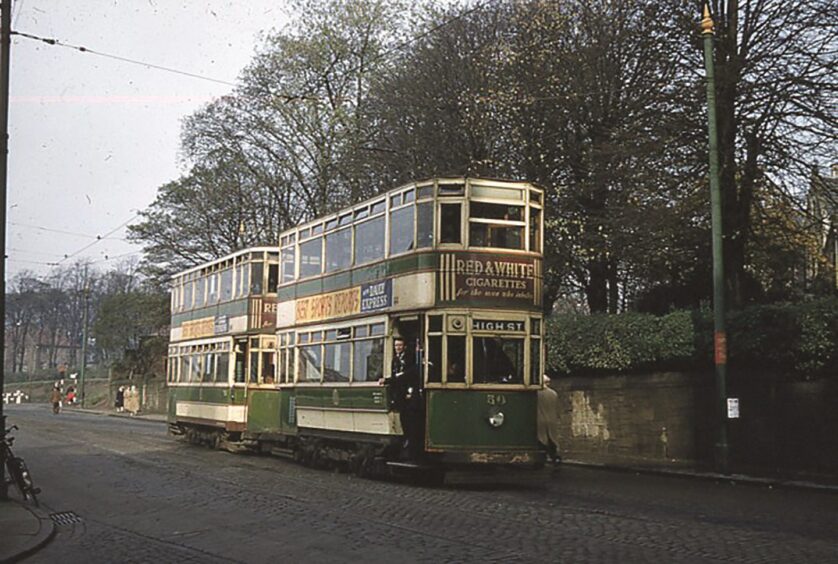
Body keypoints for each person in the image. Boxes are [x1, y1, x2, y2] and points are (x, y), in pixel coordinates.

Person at [381, 337, 423, 459]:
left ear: (404, 346)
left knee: (409, 420)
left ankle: (410, 444)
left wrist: (391, 379)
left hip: (409, 395)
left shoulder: (410, 358)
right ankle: (407, 441)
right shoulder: (396, 359)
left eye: (399, 345)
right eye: (396, 346)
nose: (397, 348)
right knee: (403, 418)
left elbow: (409, 374)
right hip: (400, 395)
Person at [537, 375, 561, 465]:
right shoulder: (554, 393)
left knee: (541, 440)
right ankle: (555, 457)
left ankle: (541, 459)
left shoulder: (536, 393)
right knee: (552, 439)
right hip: (552, 420)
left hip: (540, 419)